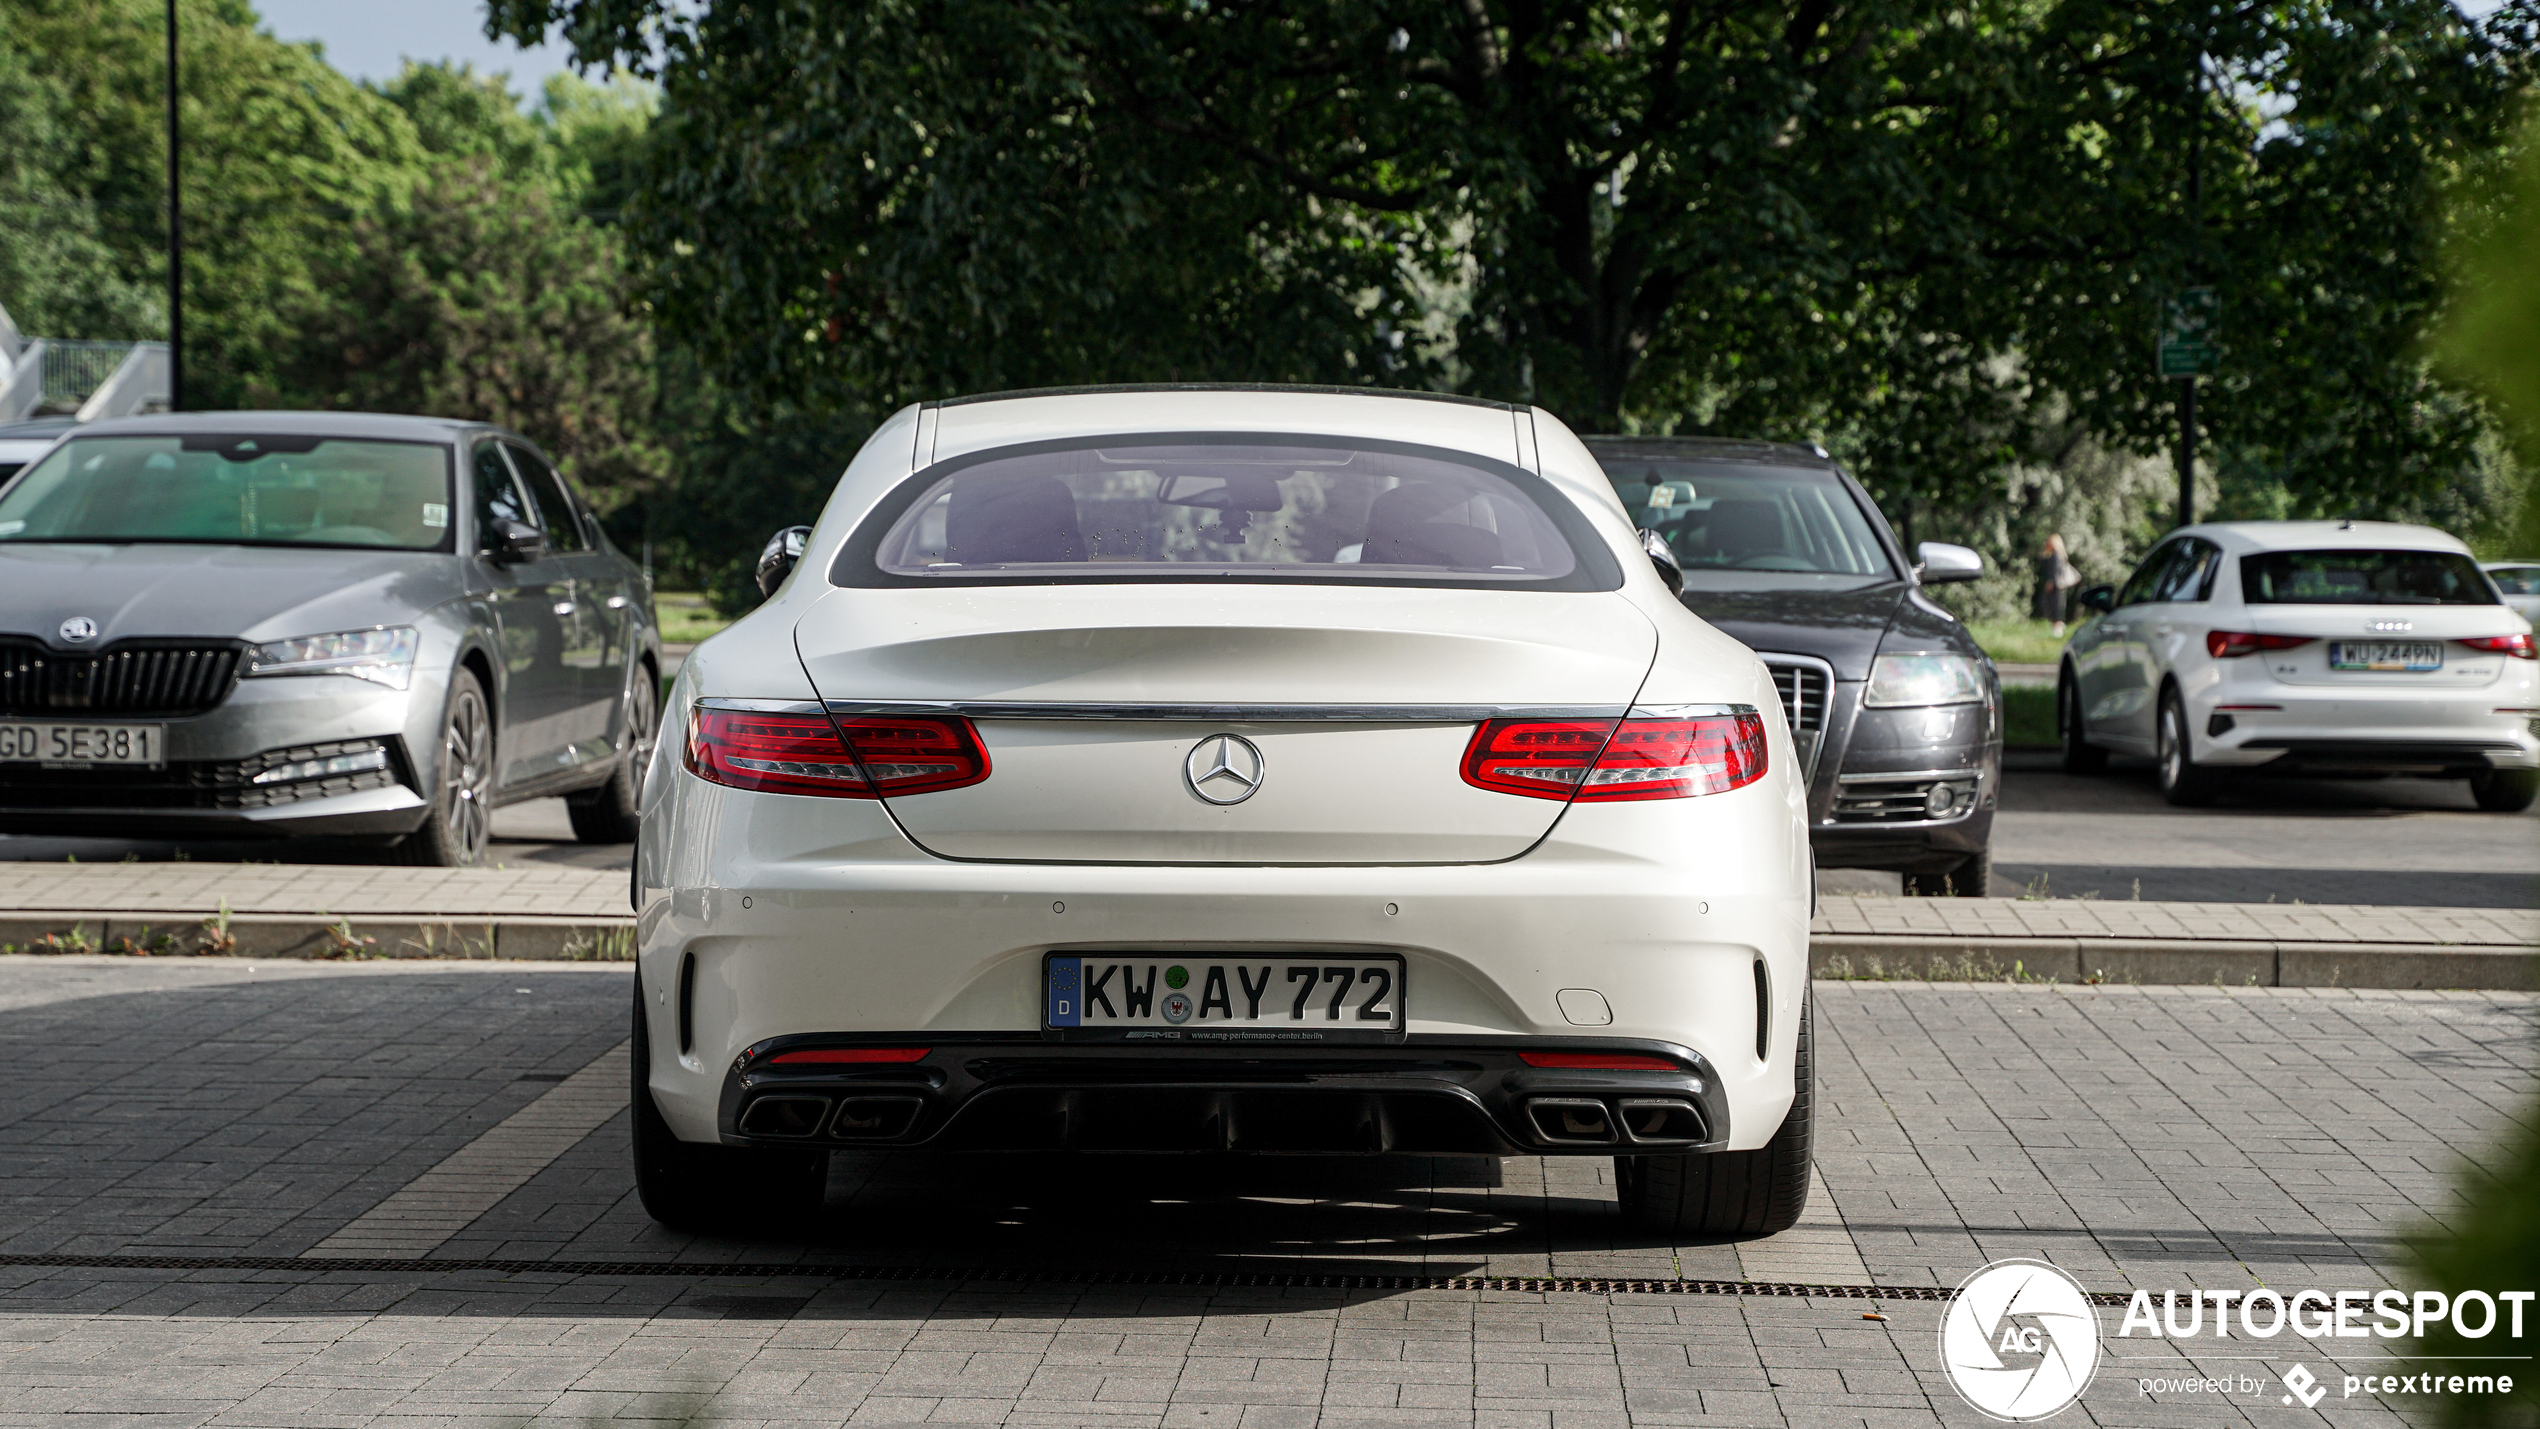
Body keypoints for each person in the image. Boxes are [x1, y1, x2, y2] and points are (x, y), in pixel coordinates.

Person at [2035, 533, 2080, 636]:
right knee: (2056, 605)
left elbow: (2055, 571)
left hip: (2056, 584)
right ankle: (2057, 626)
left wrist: (2051, 581)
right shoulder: (2057, 555)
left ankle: (2057, 627)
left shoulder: (2056, 556)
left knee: (2054, 606)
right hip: (2060, 584)